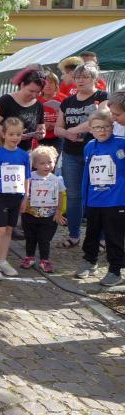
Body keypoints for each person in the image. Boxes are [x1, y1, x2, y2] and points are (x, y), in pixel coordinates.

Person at [54, 62, 109, 248]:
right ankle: (74, 235)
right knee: (74, 195)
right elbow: (58, 128)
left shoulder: (102, 96)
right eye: (77, 77)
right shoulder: (67, 102)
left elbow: (99, 117)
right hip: (71, 153)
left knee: (98, 193)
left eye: (85, 77)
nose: (80, 80)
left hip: (96, 153)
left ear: (94, 79)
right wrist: (68, 133)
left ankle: (101, 237)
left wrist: (74, 129)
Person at [76, 110, 125, 287]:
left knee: (114, 235)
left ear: (112, 127)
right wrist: (85, 198)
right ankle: (90, 261)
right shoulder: (89, 146)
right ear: (90, 129)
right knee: (92, 232)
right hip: (94, 198)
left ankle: (115, 270)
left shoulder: (121, 144)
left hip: (116, 199)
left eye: (105, 127)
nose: (102, 131)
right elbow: (87, 175)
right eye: (97, 127)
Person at [0, 117, 31, 280]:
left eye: (18, 134)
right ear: (3, 134)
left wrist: (25, 197)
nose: (15, 137)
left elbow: (27, 177)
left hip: (16, 197)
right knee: (0, 230)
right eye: (11, 134)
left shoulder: (24, 155)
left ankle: (3, 260)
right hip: (0, 197)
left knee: (9, 230)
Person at [20, 145, 66, 273]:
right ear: (35, 164)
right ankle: (29, 257)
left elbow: (60, 195)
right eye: (42, 163)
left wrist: (59, 211)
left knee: (44, 239)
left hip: (48, 216)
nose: (47, 166)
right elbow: (24, 192)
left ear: (54, 162)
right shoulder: (30, 177)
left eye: (50, 162)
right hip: (30, 214)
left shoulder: (56, 180)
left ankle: (45, 260)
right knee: (30, 237)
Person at [0, 69, 46, 151]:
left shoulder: (38, 105)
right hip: (1, 151)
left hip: (24, 152)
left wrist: (40, 134)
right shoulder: (6, 101)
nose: (34, 95)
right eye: (31, 91)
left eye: (38, 92)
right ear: (22, 85)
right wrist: (14, 134)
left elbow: (41, 127)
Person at [37, 71, 63, 153]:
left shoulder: (64, 99)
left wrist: (55, 125)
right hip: (38, 137)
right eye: (45, 83)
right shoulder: (35, 100)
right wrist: (42, 125)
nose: (48, 85)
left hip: (58, 137)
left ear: (56, 85)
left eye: (51, 83)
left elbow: (69, 119)